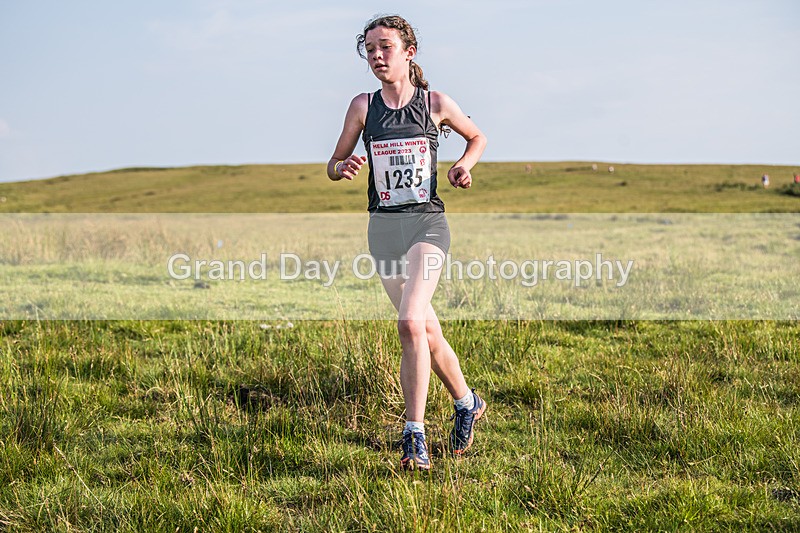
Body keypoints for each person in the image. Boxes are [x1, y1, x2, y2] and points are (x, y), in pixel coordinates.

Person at [327, 15, 488, 471]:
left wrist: (464, 164)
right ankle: (467, 403)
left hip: (426, 226)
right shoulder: (363, 106)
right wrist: (343, 169)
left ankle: (413, 437)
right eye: (370, 49)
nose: (377, 56)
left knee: (409, 322)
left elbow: (477, 136)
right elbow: (334, 162)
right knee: (426, 330)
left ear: (408, 52)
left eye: (386, 48)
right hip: (383, 231)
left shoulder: (434, 103)